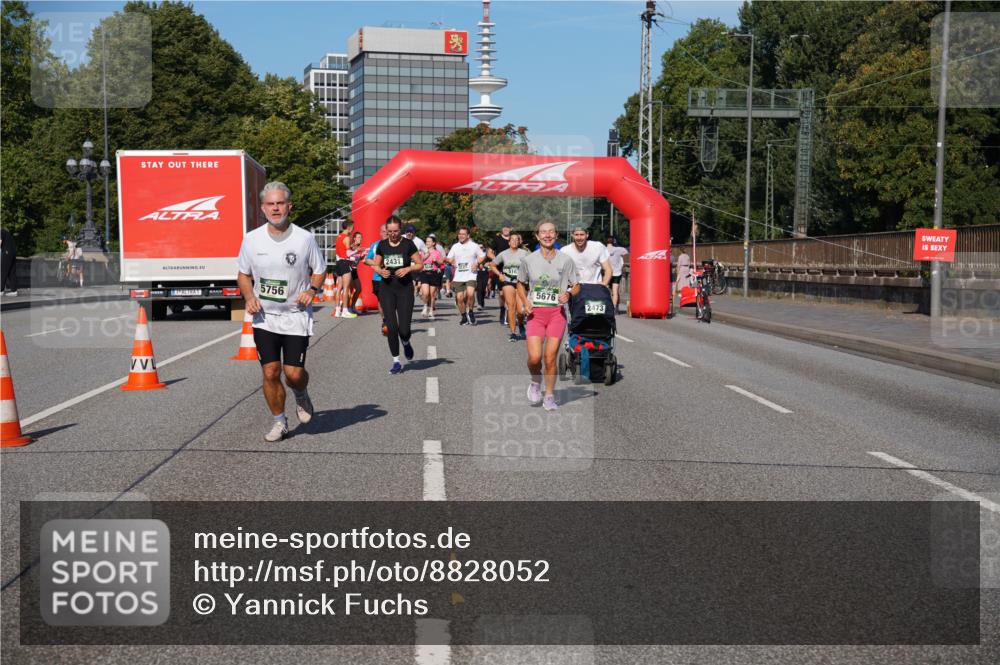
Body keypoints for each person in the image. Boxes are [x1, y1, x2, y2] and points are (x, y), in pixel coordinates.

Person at [237, 181, 325, 442]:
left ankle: (301, 393)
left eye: (280, 203)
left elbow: (319, 270)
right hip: (265, 317)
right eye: (270, 204)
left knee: (294, 374)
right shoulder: (251, 239)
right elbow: (243, 274)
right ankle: (279, 422)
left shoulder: (304, 238)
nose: (276, 209)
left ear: (289, 206)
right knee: (270, 372)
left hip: (295, 316)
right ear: (263, 208)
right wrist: (249, 296)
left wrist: (312, 291)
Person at [518, 220, 580, 411]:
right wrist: (525, 302)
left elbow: (577, 285)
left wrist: (569, 294)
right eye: (543, 232)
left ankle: (550, 396)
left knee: (550, 358)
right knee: (535, 358)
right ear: (537, 236)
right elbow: (520, 284)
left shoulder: (566, 260)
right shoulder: (528, 260)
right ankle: (536, 382)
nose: (547, 235)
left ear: (556, 235)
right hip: (535, 314)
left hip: (556, 314)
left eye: (551, 232)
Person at [372, 215, 422, 374]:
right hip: (387, 289)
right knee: (391, 327)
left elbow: (420, 264)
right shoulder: (382, 245)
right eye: (390, 231)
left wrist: (408, 269)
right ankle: (396, 361)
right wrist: (380, 270)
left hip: (405, 289)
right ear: (386, 230)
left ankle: (406, 342)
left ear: (400, 229)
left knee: (404, 330)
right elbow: (375, 264)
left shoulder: (408, 244)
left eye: (396, 231)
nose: (393, 234)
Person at [490, 232, 529, 341]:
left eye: (517, 240)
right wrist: (499, 274)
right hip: (508, 282)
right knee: (511, 307)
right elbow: (492, 265)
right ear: (509, 242)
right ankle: (513, 332)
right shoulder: (503, 254)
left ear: (519, 242)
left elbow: (532, 266)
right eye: (512, 240)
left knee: (521, 310)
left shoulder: (525, 253)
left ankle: (521, 324)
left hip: (521, 283)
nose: (514, 242)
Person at [446, 226, 485, 326]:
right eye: (459, 234)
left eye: (463, 234)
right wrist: (452, 260)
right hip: (459, 276)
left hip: (471, 274)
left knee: (470, 294)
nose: (461, 236)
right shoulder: (455, 246)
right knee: (459, 298)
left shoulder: (474, 246)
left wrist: (476, 263)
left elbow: (482, 255)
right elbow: (449, 257)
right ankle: (464, 316)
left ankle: (471, 312)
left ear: (468, 235)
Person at [363, 224, 389, 335]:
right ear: (380, 232)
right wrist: (378, 264)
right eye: (383, 231)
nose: (385, 234)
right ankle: (385, 321)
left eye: (387, 231)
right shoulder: (375, 245)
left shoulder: (395, 245)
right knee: (382, 301)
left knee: (391, 301)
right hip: (378, 278)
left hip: (392, 278)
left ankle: (391, 320)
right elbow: (367, 260)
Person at [489, 225, 513, 323]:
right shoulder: (497, 239)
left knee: (511, 292)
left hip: (512, 270)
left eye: (508, 227)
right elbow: (489, 252)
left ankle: (509, 312)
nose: (506, 229)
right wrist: (496, 260)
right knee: (502, 293)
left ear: (511, 229)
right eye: (504, 227)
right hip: (499, 270)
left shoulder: (514, 239)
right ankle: (502, 310)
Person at [333, 219, 357, 318]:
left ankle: (338, 310)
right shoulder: (347, 237)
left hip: (338, 262)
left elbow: (340, 251)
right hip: (344, 262)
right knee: (346, 288)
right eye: (353, 227)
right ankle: (345, 310)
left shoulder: (338, 236)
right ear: (349, 227)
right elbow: (347, 253)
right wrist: (356, 251)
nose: (353, 229)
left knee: (339, 288)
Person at [419, 234, 445, 319]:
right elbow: (418, 261)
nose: (427, 243)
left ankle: (430, 311)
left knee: (432, 294)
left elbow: (441, 262)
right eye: (426, 241)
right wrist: (424, 258)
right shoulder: (422, 252)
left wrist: (436, 261)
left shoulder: (437, 252)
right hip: (424, 273)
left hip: (434, 274)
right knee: (425, 293)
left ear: (433, 243)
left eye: (429, 241)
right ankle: (425, 306)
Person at [605, 236, 629, 312]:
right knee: (615, 291)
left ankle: (608, 307)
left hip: (607, 273)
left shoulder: (603, 250)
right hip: (617, 273)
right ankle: (615, 308)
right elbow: (627, 251)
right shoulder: (619, 249)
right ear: (614, 242)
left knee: (607, 291)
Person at [1, 226, 18, 296]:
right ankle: (14, 291)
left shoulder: (1, 231)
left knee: (2, 271)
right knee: (11, 272)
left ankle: (0, 290)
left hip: (7, 253)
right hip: (13, 253)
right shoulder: (7, 233)